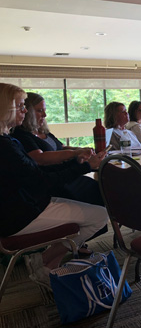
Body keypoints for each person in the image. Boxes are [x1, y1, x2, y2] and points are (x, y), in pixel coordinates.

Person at [0, 83, 108, 288]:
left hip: (25, 205)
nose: (25, 111)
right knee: (100, 216)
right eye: (21, 106)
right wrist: (83, 167)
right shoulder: (6, 146)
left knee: (88, 203)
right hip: (20, 216)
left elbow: (36, 175)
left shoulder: (8, 140)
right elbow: (42, 179)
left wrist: (77, 162)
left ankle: (48, 264)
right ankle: (43, 261)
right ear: (6, 108)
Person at [12, 92, 107, 214]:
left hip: (66, 174)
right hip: (55, 180)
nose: (44, 115)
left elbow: (61, 147)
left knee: (98, 188)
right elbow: (40, 158)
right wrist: (75, 153)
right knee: (93, 196)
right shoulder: (22, 135)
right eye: (40, 111)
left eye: (44, 110)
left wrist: (83, 150)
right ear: (28, 112)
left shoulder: (44, 132)